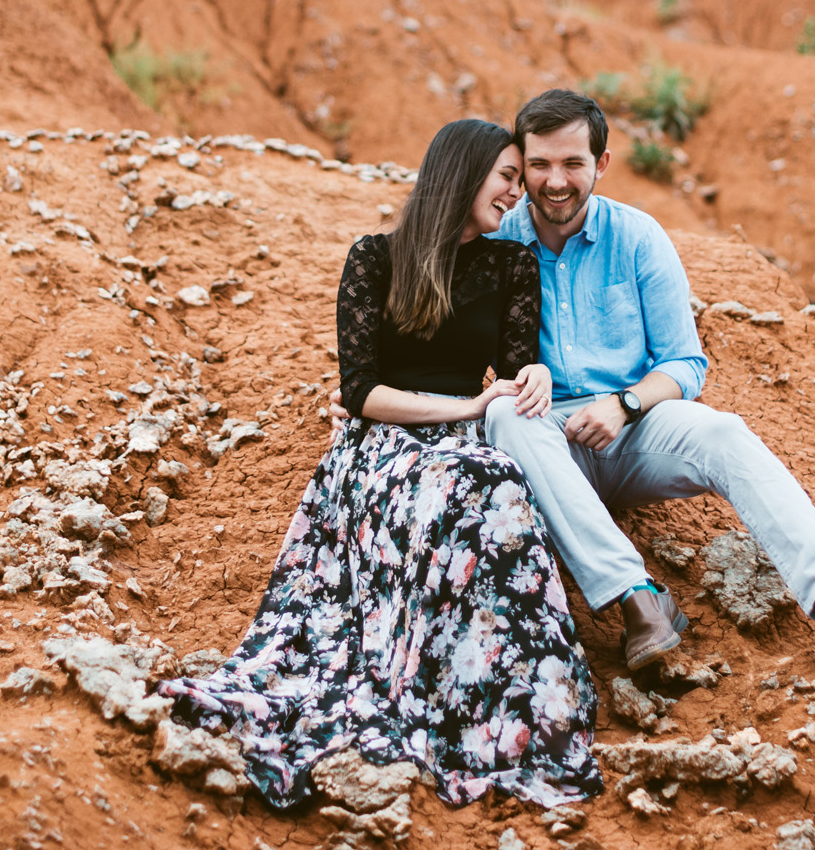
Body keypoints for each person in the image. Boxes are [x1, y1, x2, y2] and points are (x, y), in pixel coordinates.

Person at [155, 118, 600, 810]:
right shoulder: (373, 258)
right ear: (462, 171)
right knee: (478, 479)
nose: (516, 192)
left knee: (496, 482)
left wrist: (534, 374)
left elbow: (511, 376)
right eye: (507, 176)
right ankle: (415, 682)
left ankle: (517, 703)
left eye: (519, 179)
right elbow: (360, 393)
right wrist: (462, 409)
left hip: (464, 442)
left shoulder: (511, 266)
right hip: (382, 447)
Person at [484, 88, 815, 670]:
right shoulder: (495, 242)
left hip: (634, 430)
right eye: (540, 165)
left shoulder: (637, 238)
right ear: (522, 164)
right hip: (547, 441)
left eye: (573, 164)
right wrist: (367, 392)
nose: (556, 181)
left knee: (724, 432)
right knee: (505, 415)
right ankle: (639, 598)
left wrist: (623, 405)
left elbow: (686, 364)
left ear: (600, 165)